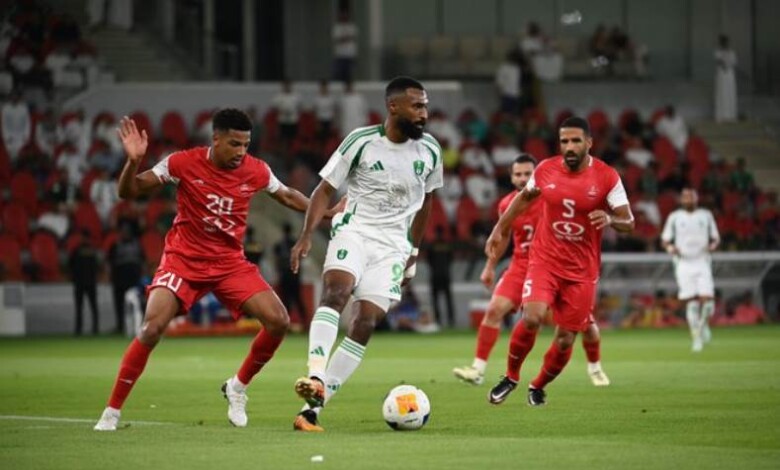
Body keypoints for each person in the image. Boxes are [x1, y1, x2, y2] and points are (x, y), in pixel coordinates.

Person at [94, 109, 343, 431]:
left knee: (279, 321)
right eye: (234, 144)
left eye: (246, 145)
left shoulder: (256, 169)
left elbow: (287, 195)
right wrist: (133, 162)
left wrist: (327, 213)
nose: (241, 152)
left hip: (228, 263)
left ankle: (237, 387)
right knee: (151, 328)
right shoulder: (182, 162)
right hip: (183, 261)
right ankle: (111, 412)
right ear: (216, 139)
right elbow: (128, 191)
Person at [289, 76, 443, 431]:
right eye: (417, 106)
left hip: (393, 247)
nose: (424, 113)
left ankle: (311, 411)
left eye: (425, 106)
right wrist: (306, 235)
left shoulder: (430, 150)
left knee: (365, 323)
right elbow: (325, 189)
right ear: (394, 107)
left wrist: (413, 252)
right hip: (355, 231)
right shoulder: (361, 141)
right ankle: (315, 374)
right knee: (336, 292)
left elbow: (427, 201)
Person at [484, 117, 634, 406]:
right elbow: (523, 199)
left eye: (576, 141)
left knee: (566, 338)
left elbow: (629, 221)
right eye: (564, 141)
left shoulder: (607, 177)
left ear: (589, 142)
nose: (569, 147)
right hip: (545, 261)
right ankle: (511, 377)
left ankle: (538, 385)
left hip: (582, 271)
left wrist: (610, 218)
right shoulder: (545, 169)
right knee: (532, 317)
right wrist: (499, 229)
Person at [453, 155, 610, 387]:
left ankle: (595, 368)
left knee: (584, 326)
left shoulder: (552, 198)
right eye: (518, 174)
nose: (523, 178)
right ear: (511, 178)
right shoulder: (507, 205)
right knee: (494, 310)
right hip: (520, 266)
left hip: (554, 267)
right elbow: (504, 236)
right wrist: (490, 266)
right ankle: (477, 370)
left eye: (528, 174)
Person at [661, 187, 720, 352]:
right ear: (681, 200)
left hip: (702, 261)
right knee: (692, 303)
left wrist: (713, 246)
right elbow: (665, 239)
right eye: (685, 197)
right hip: (684, 263)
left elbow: (715, 238)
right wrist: (671, 248)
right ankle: (696, 337)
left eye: (691, 197)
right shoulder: (675, 217)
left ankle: (703, 325)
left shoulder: (706, 215)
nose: (688, 200)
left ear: (696, 198)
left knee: (708, 304)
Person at [108, 222, 145, 335]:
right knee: (119, 305)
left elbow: (142, 261)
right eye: (124, 231)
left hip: (133, 280)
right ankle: (121, 326)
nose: (125, 234)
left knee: (136, 305)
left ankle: (138, 327)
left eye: (127, 231)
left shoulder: (137, 245)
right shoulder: (115, 245)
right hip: (119, 279)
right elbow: (109, 262)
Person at [274, 223, 307, 327]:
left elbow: (277, 261)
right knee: (297, 298)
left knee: (285, 299)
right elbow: (300, 258)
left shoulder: (279, 246)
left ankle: (286, 322)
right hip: (294, 275)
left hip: (284, 275)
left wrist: (279, 272)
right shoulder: (295, 244)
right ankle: (305, 322)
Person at [70, 230, 100, 336]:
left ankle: (80, 329)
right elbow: (97, 266)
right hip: (88, 282)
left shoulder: (77, 250)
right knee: (91, 307)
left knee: (81, 307)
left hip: (82, 282)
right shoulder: (92, 251)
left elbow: (70, 265)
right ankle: (93, 329)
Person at [428, 225, 454, 328]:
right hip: (445, 275)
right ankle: (451, 319)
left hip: (435, 275)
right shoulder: (447, 245)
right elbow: (450, 259)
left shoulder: (432, 245)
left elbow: (429, 260)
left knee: (435, 299)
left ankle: (438, 320)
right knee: (448, 299)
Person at [714, 34, 738, 122]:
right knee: (722, 93)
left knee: (730, 92)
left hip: (730, 74)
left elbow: (734, 62)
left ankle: (731, 115)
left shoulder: (732, 52)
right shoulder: (718, 52)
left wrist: (728, 64)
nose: (725, 44)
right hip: (721, 74)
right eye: (723, 42)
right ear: (721, 43)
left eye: (726, 42)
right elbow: (718, 61)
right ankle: (721, 115)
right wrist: (724, 64)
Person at [332, 7, 358, 83]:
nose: (344, 16)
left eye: (345, 14)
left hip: (350, 55)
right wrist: (347, 37)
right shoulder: (337, 27)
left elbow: (353, 37)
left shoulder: (352, 26)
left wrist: (344, 38)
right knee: (339, 74)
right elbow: (338, 39)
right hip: (340, 55)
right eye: (342, 15)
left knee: (349, 75)